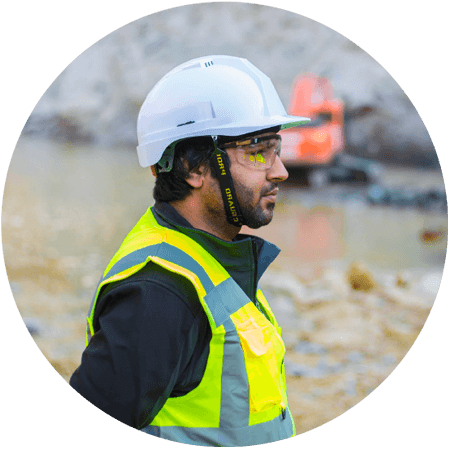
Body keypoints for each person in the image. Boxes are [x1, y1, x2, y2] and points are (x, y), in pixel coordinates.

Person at [70, 55, 309, 446]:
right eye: (256, 152)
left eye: (276, 149)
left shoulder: (214, 257)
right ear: (191, 167)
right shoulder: (159, 292)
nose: (280, 170)